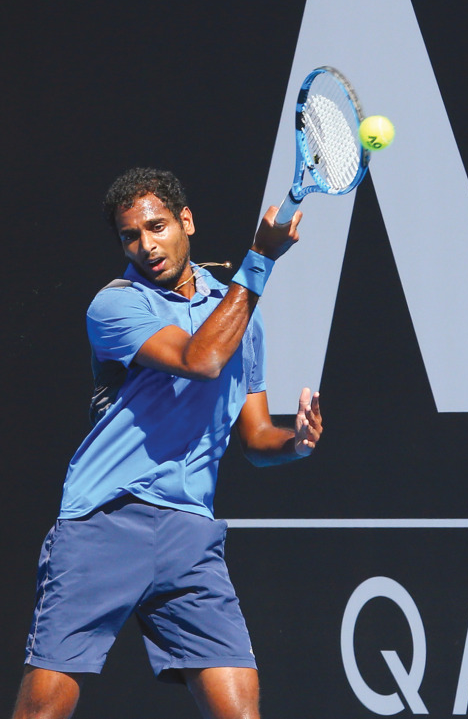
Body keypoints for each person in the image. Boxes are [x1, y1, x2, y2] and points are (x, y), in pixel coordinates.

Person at [10, 168, 322, 719]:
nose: (146, 246)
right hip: (106, 521)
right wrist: (260, 257)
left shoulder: (238, 314)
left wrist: (294, 442)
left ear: (186, 222)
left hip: (190, 534)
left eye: (157, 227)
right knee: (44, 710)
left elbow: (254, 438)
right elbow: (200, 360)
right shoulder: (115, 305)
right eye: (130, 236)